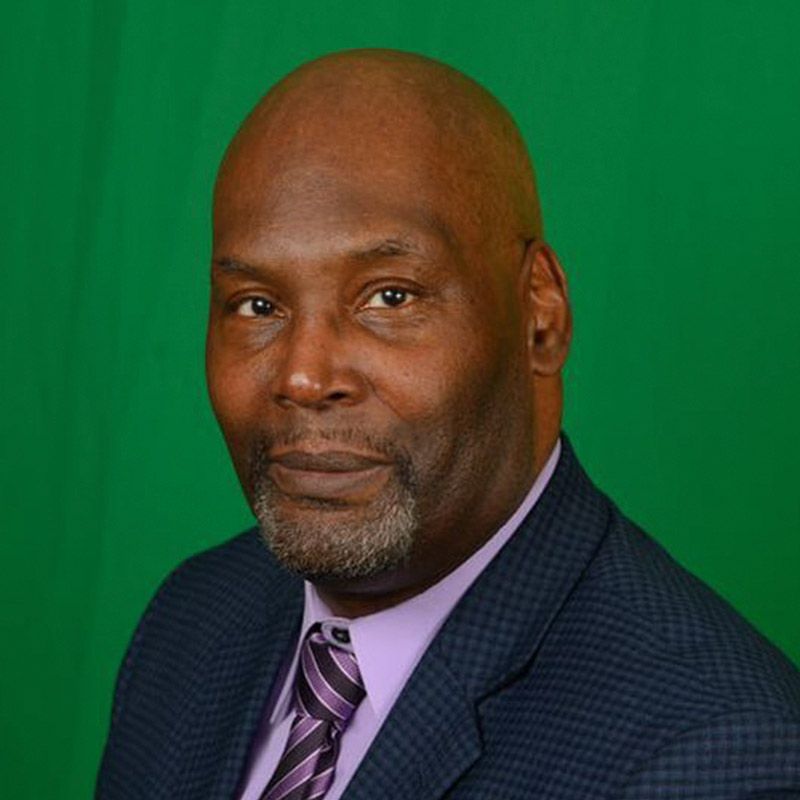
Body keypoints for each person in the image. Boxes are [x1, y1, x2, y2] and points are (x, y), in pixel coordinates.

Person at [96, 49, 800, 799]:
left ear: (540, 316)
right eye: (257, 306)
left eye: (390, 297)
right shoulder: (193, 619)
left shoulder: (721, 755)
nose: (304, 376)